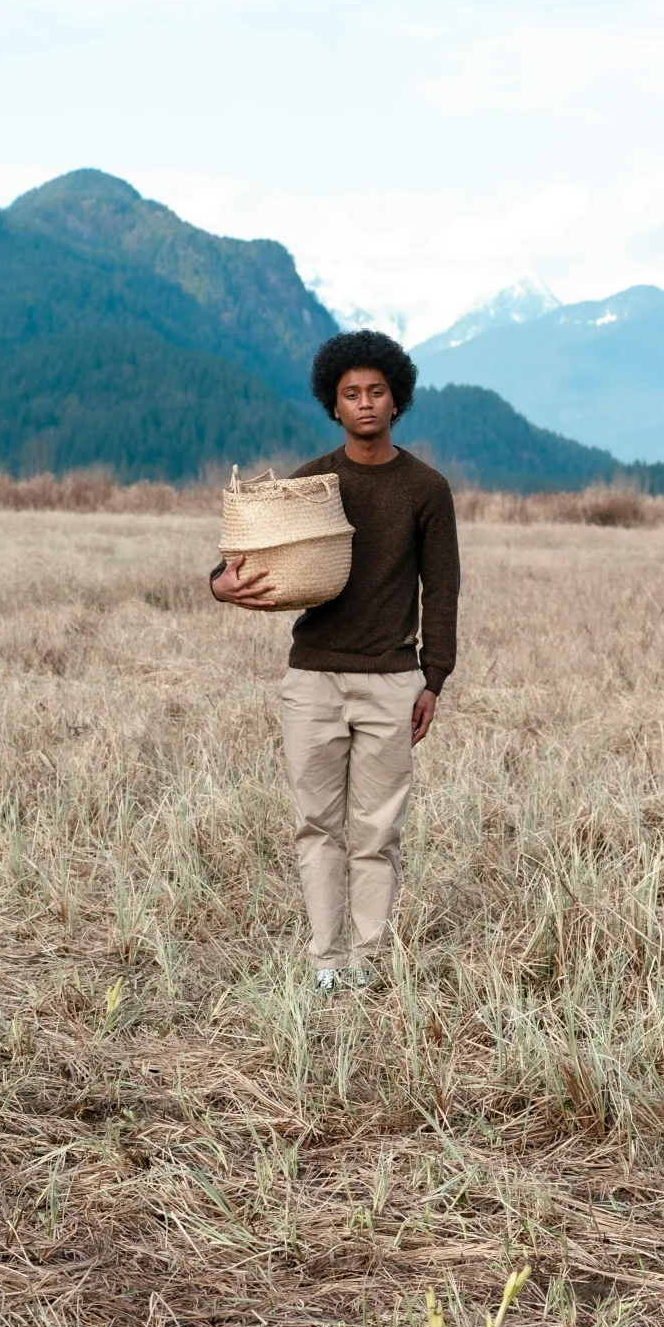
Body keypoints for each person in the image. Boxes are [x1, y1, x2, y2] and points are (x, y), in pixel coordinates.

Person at [210, 331, 460, 988]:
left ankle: (368, 963)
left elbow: (443, 588)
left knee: (378, 833)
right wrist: (220, 584)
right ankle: (325, 961)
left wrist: (434, 677)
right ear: (333, 403)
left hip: (391, 682)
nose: (365, 403)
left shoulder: (426, 489)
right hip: (311, 679)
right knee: (315, 825)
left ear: (397, 398)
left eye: (376, 391)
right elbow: (244, 555)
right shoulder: (315, 482)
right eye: (351, 393)